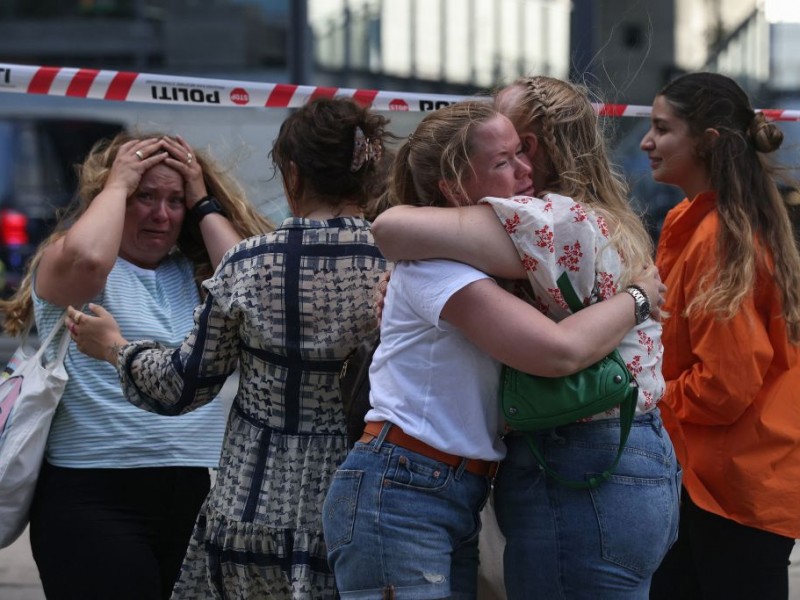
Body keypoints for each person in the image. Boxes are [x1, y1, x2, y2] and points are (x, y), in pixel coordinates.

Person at [321, 99, 667, 599]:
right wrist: (639, 297)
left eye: (523, 154)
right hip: (403, 485)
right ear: (453, 187)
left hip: (441, 486)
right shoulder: (438, 267)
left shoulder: (481, 260)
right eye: (503, 162)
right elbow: (557, 351)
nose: (525, 171)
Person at [66, 97, 392, 598]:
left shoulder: (250, 263)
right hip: (362, 504)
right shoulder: (399, 263)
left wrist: (115, 348)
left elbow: (178, 387)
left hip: (251, 509)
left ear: (292, 176)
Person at [0, 131, 270, 599]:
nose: (161, 214)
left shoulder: (194, 272)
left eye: (175, 199)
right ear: (113, 196)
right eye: (144, 196)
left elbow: (257, 286)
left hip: (192, 493)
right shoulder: (72, 259)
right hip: (92, 498)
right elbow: (87, 258)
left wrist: (203, 200)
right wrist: (117, 184)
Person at [639, 72, 800, 600]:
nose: (646, 142)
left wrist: (642, 397)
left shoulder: (719, 238)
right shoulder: (705, 222)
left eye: (662, 129)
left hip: (731, 488)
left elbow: (724, 384)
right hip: (721, 479)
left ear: (707, 142)